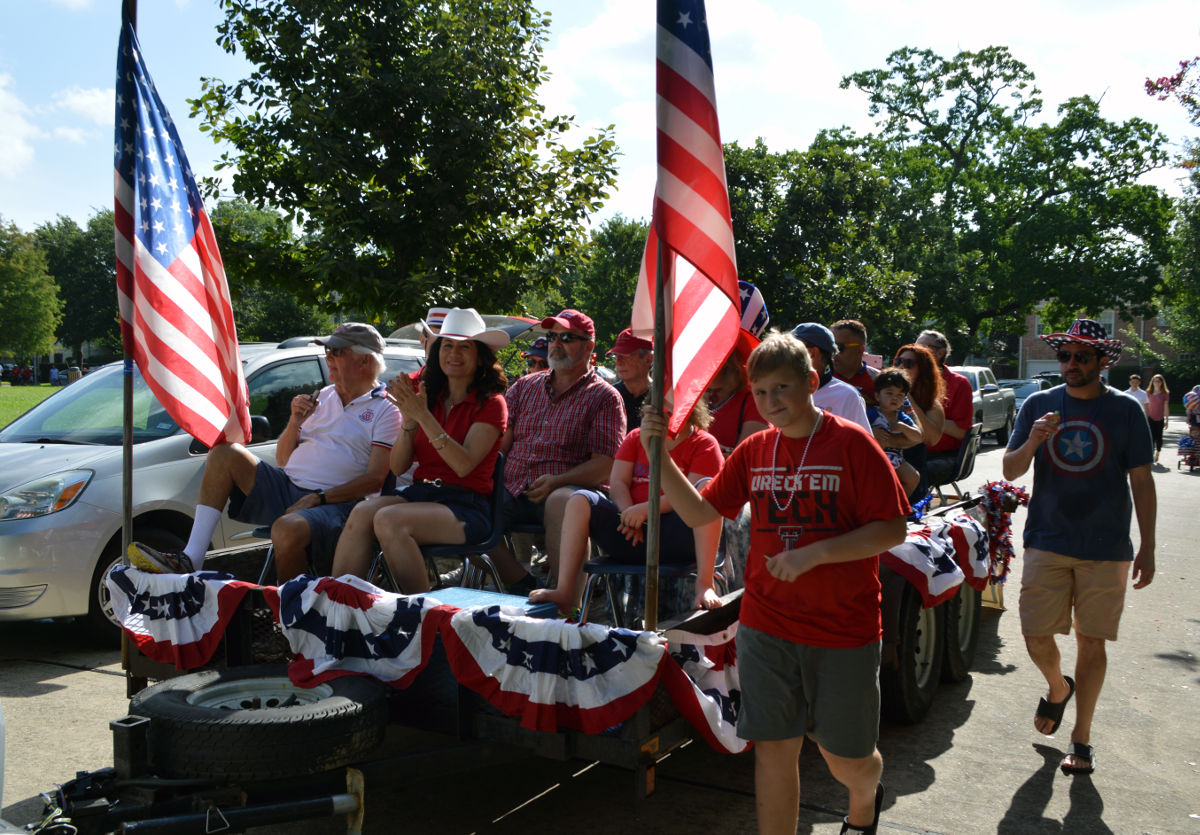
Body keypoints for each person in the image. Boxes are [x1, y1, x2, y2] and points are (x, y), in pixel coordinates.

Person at [641, 331, 908, 835]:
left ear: (810, 382)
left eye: (782, 388)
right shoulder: (753, 449)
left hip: (842, 630)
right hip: (766, 625)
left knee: (844, 758)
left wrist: (817, 553)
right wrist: (661, 458)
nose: (771, 403)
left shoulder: (852, 442)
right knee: (774, 750)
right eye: (761, 393)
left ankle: (865, 796)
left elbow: (893, 528)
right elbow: (701, 510)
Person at [1002, 318, 1156, 778]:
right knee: (1034, 634)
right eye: (1065, 355)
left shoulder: (1126, 411)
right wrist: (1033, 439)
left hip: (1106, 546)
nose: (1070, 364)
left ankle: (1082, 739)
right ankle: (1056, 687)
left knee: (1092, 641)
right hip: (1047, 538)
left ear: (1103, 361)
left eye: (1081, 356)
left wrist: (1146, 547)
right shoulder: (1039, 404)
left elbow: (1142, 483)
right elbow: (1010, 471)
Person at [129, 323, 401, 581]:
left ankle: (291, 614)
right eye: (327, 350)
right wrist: (295, 422)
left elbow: (375, 479)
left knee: (285, 528)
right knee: (224, 452)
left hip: (338, 504)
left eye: (337, 351)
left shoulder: (386, 410)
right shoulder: (322, 396)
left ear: (365, 362)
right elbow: (283, 460)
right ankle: (192, 558)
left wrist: (317, 499)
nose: (328, 357)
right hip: (290, 488)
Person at [331, 309, 508, 592]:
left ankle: (420, 617)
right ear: (437, 350)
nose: (454, 353)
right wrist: (410, 423)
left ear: (480, 356)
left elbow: (463, 466)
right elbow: (399, 467)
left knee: (389, 521)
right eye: (447, 345)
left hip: (467, 506)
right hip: (423, 494)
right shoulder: (428, 396)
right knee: (363, 512)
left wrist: (423, 416)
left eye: (465, 347)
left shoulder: (492, 403)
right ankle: (338, 603)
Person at [529, 399, 724, 615]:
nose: (662, 413)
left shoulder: (704, 443)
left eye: (671, 408)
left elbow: (694, 496)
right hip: (632, 534)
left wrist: (645, 510)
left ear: (691, 409)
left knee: (708, 491)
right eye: (658, 407)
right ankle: (565, 592)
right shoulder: (635, 437)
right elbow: (618, 483)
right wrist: (628, 514)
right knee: (579, 499)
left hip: (677, 535)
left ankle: (705, 585)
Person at [488, 309, 626, 594]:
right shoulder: (525, 386)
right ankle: (522, 583)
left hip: (567, 491)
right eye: (551, 336)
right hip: (512, 486)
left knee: (562, 501)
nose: (555, 344)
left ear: (589, 347)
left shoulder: (605, 397)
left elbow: (605, 464)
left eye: (567, 337)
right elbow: (501, 446)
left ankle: (568, 604)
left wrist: (557, 481)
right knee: (467, 507)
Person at [884, 345, 946, 503]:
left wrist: (908, 399)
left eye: (909, 363)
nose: (901, 366)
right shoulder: (885, 395)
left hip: (913, 468)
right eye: (898, 361)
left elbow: (932, 439)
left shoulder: (931, 404)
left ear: (922, 370)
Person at [790, 322, 872, 433]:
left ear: (812, 353)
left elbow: (862, 446)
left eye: (791, 348)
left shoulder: (847, 396)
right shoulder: (781, 389)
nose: (785, 353)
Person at [915, 330, 972, 485]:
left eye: (922, 346)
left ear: (940, 353)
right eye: (915, 345)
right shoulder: (907, 379)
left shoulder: (959, 383)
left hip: (944, 456)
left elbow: (961, 432)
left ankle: (912, 509)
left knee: (917, 473)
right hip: (909, 450)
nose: (916, 350)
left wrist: (922, 414)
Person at [866, 369, 923, 497]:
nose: (894, 398)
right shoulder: (872, 414)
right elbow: (858, 430)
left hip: (896, 457)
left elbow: (918, 436)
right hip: (875, 459)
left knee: (913, 477)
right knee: (881, 484)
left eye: (900, 395)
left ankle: (900, 504)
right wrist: (871, 432)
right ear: (877, 396)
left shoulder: (901, 417)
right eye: (889, 393)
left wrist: (904, 428)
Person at [607, 327, 653, 430]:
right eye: (616, 356)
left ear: (648, 359)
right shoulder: (608, 397)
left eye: (625, 355)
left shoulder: (663, 398)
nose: (619, 362)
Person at [831, 319, 879, 407]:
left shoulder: (881, 380)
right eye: (831, 347)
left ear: (860, 350)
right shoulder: (820, 379)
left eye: (839, 347)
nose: (834, 353)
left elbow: (906, 416)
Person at [1146, 374, 1170, 462]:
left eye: (1158, 381)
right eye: (1155, 381)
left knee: (1159, 437)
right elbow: (1146, 406)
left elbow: (1166, 407)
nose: (1156, 383)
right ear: (1152, 382)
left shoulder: (1165, 393)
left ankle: (1158, 451)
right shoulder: (1148, 392)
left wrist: (1167, 420)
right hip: (1150, 417)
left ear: (1161, 383)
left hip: (1159, 418)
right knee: (1151, 437)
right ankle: (1151, 454)